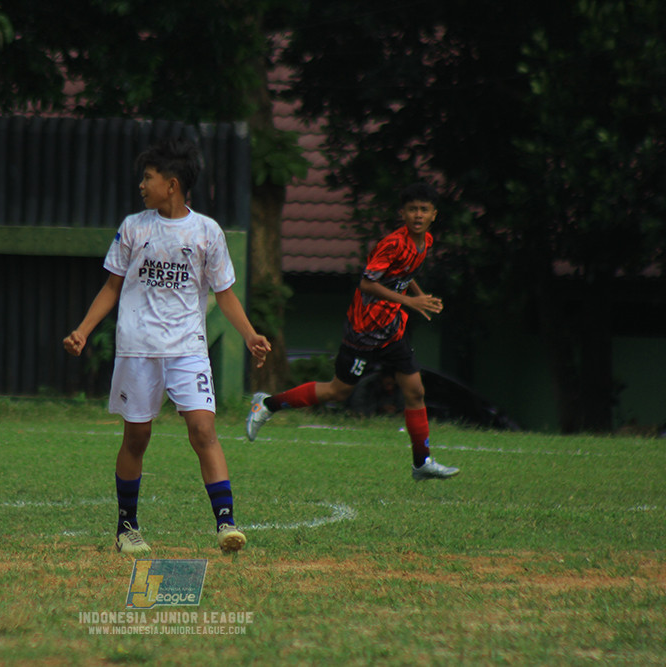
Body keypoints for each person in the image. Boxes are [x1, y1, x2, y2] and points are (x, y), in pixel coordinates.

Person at [64, 138, 271, 554]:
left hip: (187, 348)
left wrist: (250, 334)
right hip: (137, 348)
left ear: (172, 184)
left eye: (149, 177)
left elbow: (225, 293)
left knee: (204, 430)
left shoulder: (206, 232)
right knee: (137, 438)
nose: (142, 184)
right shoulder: (134, 227)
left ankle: (226, 524)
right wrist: (83, 330)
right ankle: (127, 528)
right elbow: (111, 286)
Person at [245, 182, 460, 482]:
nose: (418, 215)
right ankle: (267, 404)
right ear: (403, 213)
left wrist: (420, 298)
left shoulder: (426, 242)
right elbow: (367, 284)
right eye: (412, 209)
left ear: (434, 214)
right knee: (337, 391)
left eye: (424, 210)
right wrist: (411, 301)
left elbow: (403, 275)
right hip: (364, 330)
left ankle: (421, 462)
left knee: (416, 391)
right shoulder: (392, 244)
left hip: (392, 330)